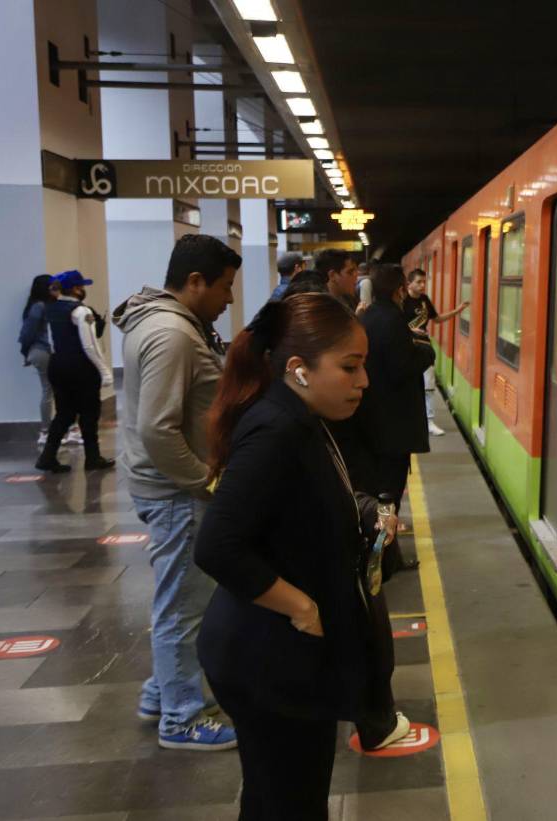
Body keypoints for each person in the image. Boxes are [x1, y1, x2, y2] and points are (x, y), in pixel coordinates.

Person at [195, 294, 405, 819]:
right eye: (350, 367)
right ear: (298, 369)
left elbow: (302, 504)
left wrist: (364, 512)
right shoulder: (278, 430)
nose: (364, 381)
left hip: (279, 657)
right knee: (289, 802)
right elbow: (217, 544)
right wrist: (300, 606)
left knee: (282, 797)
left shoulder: (300, 418)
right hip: (267, 658)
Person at [113, 234, 241, 751]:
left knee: (183, 600)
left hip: (167, 487)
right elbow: (158, 429)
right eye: (224, 287)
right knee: (183, 606)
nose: (229, 299)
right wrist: (205, 482)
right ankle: (182, 717)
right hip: (177, 493)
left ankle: (160, 692)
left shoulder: (165, 323)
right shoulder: (173, 335)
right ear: (194, 281)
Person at [352, 264, 435, 558]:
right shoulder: (393, 319)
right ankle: (384, 556)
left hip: (372, 418)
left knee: (377, 488)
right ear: (400, 290)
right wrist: (425, 348)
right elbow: (402, 367)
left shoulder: (368, 317)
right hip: (393, 423)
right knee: (389, 493)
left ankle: (382, 550)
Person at [35, 270, 114, 473]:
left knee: (65, 413)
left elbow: (52, 341)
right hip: (81, 367)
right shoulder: (81, 311)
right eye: (82, 286)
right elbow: (90, 346)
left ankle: (47, 456)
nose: (84, 289)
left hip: (57, 365)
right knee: (89, 413)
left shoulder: (51, 309)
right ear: (76, 289)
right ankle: (93, 457)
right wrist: (104, 371)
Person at [403, 268, 467, 436]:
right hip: (406, 346)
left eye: (424, 282)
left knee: (428, 385)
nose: (422, 285)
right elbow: (394, 322)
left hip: (424, 347)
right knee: (408, 385)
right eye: (419, 282)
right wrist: (410, 330)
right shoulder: (402, 300)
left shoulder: (424, 300)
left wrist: (457, 311)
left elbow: (437, 319)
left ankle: (429, 421)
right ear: (409, 283)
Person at [19, 275, 59, 446]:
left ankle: (47, 430)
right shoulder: (40, 307)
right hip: (43, 351)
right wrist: (25, 351)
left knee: (49, 390)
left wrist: (26, 352)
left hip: (39, 351)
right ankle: (47, 431)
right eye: (53, 287)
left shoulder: (37, 306)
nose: (56, 290)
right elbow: (27, 332)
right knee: (50, 390)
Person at [287, 248, 359, 311]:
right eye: (350, 272)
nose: (356, 275)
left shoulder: (348, 300)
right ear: (332, 275)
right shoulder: (316, 305)